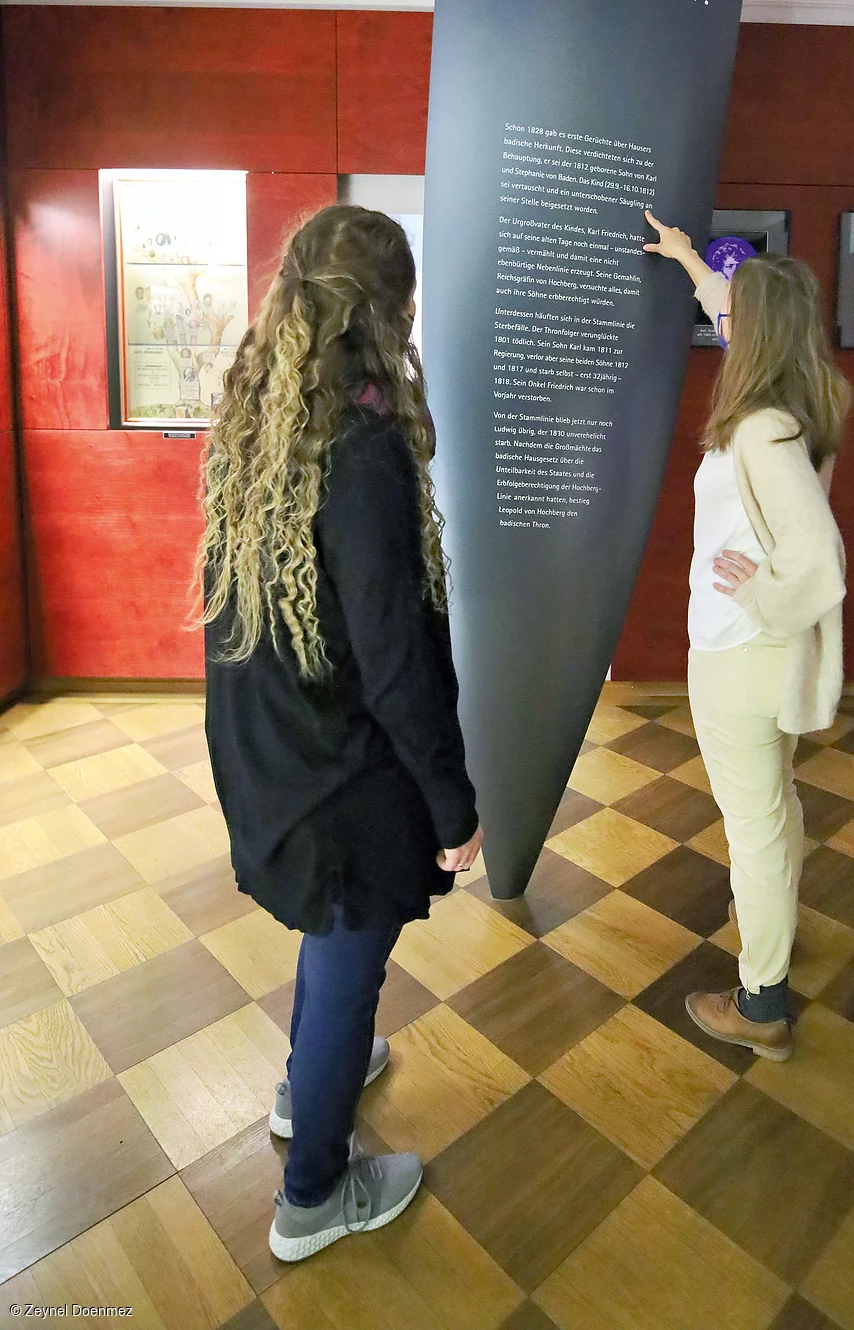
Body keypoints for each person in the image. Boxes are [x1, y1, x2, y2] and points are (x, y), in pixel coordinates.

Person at [199, 204, 480, 1262]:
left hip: (276, 749)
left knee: (336, 939)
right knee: (352, 948)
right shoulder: (360, 451)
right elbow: (396, 661)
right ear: (390, 311)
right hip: (339, 776)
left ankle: (312, 1076)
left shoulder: (263, 421)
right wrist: (455, 807)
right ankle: (313, 1194)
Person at [644, 210, 850, 1060]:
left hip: (740, 650)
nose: (726, 324)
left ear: (758, 337)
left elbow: (821, 561)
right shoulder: (801, 400)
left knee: (755, 827)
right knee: (774, 810)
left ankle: (762, 1003)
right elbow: (732, 311)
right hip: (764, 654)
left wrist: (764, 595)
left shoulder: (763, 427)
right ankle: (772, 931)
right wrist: (690, 259)